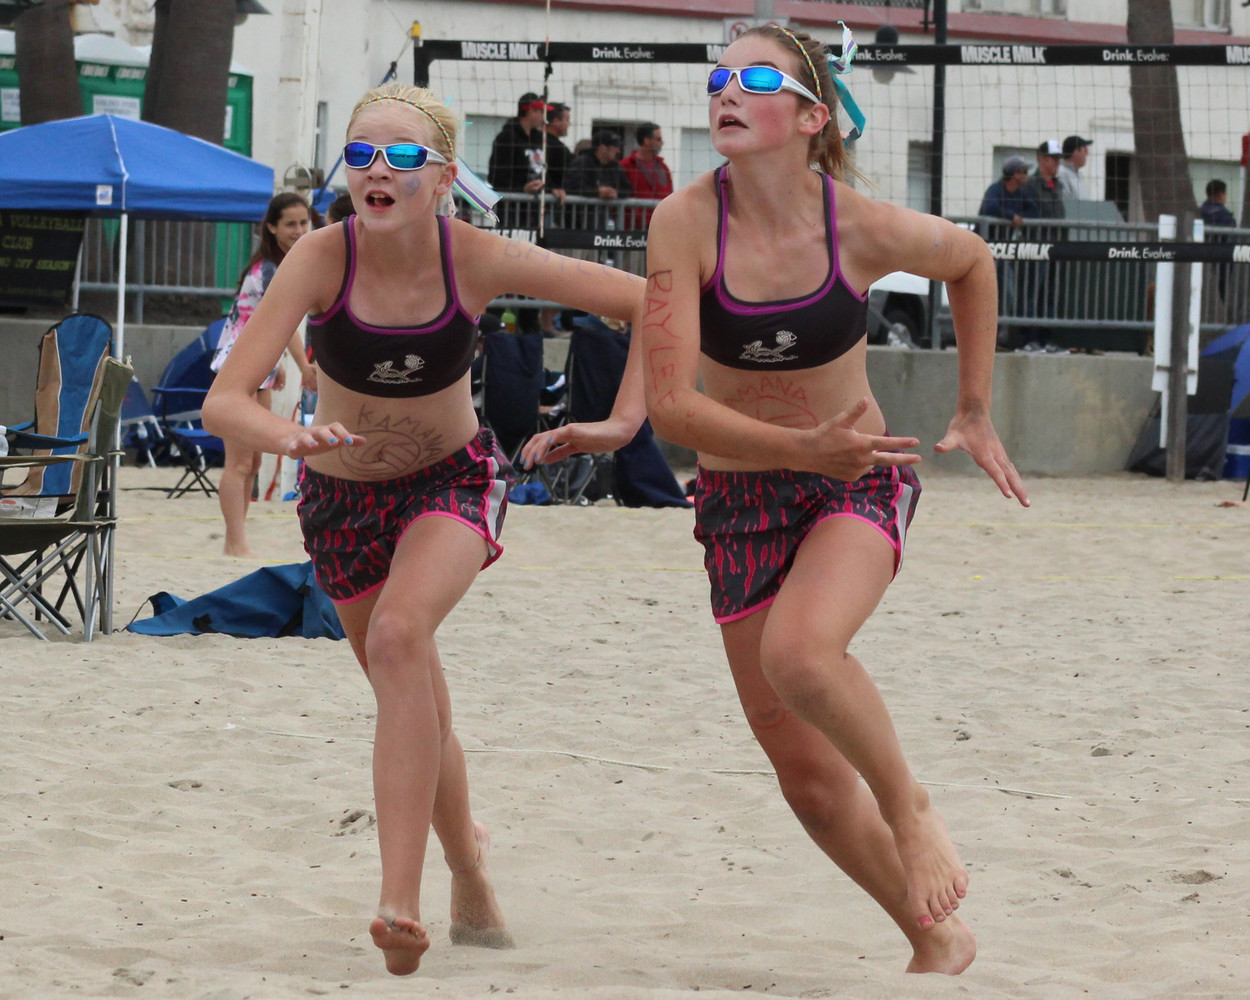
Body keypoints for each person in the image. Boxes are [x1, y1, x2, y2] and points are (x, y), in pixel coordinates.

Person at [545, 23, 1028, 976]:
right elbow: (675, 406)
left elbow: (973, 260)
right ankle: (935, 939)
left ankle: (910, 807)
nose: (726, 89)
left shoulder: (858, 225)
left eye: (756, 78)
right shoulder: (685, 220)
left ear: (813, 117)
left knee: (801, 653)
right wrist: (796, 444)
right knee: (805, 778)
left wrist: (974, 409)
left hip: (855, 478)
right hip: (740, 500)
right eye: (718, 76)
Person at [202, 81, 645, 977]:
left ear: (443, 177)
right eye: (360, 154)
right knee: (413, 698)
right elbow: (225, 400)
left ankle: (398, 901)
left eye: (402, 156)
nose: (377, 170)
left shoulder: (474, 256)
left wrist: (624, 422)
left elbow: (652, 301)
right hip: (341, 505)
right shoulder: (319, 257)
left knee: (402, 637)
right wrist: (288, 436)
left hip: (451, 480)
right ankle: (469, 869)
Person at [209, 192, 318, 556]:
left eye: (303, 222)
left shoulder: (279, 265)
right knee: (240, 463)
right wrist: (303, 366)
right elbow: (282, 325)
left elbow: (259, 323)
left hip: (257, 366)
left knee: (253, 461)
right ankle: (234, 542)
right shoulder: (270, 270)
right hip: (238, 369)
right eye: (290, 224)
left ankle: (237, 539)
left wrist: (275, 365)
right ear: (271, 227)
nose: (299, 230)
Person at [619, 121, 674, 228]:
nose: (662, 143)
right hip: (633, 228)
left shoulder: (663, 167)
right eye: (658, 139)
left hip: (661, 226)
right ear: (647, 141)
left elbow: (670, 195)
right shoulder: (625, 166)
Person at [565, 129, 633, 201]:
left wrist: (614, 192)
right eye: (615, 147)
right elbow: (575, 187)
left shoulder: (615, 167)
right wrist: (597, 192)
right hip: (582, 208)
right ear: (603, 148)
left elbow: (626, 189)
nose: (619, 151)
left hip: (602, 208)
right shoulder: (582, 163)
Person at [1201, 179, 1238, 302]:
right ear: (1221, 194)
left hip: (1201, 262)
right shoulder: (1225, 216)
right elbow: (1231, 241)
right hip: (1222, 267)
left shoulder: (1199, 212)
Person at [978, 155, 1038, 229]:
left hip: (1003, 235)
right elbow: (989, 207)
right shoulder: (995, 189)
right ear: (1015, 174)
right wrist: (1011, 216)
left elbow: (1034, 211)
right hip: (984, 235)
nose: (1027, 175)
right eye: (1025, 172)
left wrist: (1017, 217)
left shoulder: (1021, 193)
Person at [1057, 135, 1091, 201]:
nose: (1087, 153)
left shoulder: (1079, 175)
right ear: (1076, 152)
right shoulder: (1061, 174)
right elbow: (1065, 203)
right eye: (1085, 150)